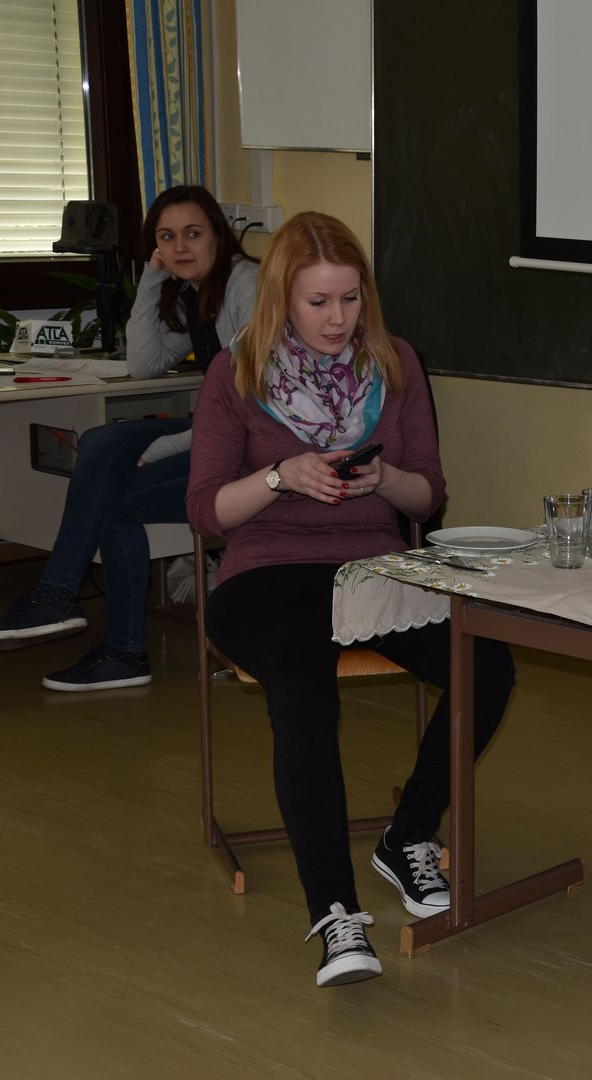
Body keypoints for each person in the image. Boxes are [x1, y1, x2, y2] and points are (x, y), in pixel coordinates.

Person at [186, 211, 517, 988]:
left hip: (374, 568)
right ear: (281, 299)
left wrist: (383, 479)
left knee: (486, 668)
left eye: (350, 299)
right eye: (318, 303)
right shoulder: (236, 373)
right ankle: (336, 913)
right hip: (265, 574)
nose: (338, 319)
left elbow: (428, 494)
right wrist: (279, 478)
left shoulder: (395, 363)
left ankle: (407, 836)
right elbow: (205, 512)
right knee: (304, 694)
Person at [0, 185, 259, 691]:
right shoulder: (195, 293)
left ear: (219, 234)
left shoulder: (246, 285)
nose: (180, 247)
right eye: (166, 238)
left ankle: (117, 648)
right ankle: (59, 598)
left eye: (193, 234)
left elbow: (254, 403)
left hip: (256, 450)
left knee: (114, 496)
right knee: (102, 442)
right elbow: (144, 364)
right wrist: (152, 278)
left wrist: (172, 444)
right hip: (219, 435)